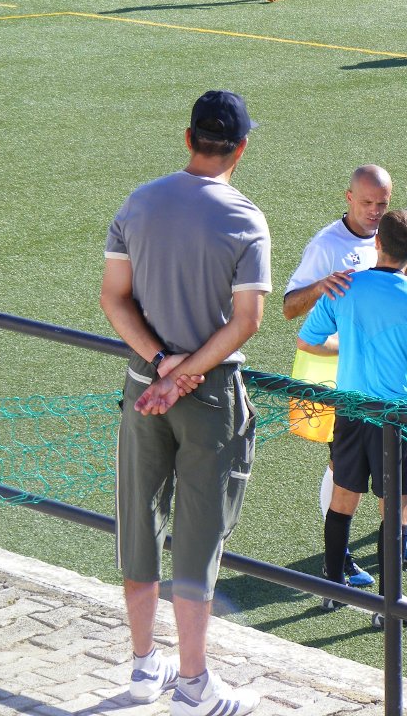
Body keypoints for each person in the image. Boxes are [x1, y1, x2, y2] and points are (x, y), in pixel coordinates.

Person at [100, 90, 270, 716]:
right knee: (198, 540)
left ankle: (145, 665)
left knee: (139, 525)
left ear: (188, 138)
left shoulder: (138, 201)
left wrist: (159, 365)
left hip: (141, 385)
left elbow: (113, 297)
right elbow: (246, 321)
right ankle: (194, 685)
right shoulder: (246, 218)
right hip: (210, 397)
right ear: (240, 149)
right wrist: (187, 372)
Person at [296, 210, 407, 624]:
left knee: (343, 499)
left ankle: (332, 586)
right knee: (396, 509)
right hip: (397, 419)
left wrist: (349, 347)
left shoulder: (346, 286)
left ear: (377, 242)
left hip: (350, 411)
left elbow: (307, 341)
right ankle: (388, 603)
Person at [284, 166, 407, 576]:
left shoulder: (390, 237)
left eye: (382, 203)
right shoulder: (327, 245)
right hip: (337, 371)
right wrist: (321, 286)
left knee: (395, 470)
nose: (376, 211)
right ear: (348, 198)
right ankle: (340, 560)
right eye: (367, 203)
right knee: (341, 465)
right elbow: (289, 307)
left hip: (386, 373)